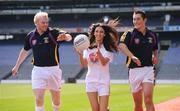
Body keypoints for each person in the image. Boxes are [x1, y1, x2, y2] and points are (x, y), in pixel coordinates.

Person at [11, 11, 72, 111]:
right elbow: (25, 51)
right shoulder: (30, 36)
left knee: (56, 101)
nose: (46, 24)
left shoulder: (53, 32)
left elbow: (69, 36)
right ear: (36, 23)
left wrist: (65, 37)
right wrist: (16, 66)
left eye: (47, 22)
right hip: (38, 71)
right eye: (43, 22)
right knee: (39, 98)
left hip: (54, 70)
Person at [119, 10, 158, 111]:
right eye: (134, 19)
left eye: (138, 19)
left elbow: (155, 48)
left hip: (148, 69)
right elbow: (121, 46)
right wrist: (132, 57)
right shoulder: (129, 33)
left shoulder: (152, 34)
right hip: (133, 71)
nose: (135, 21)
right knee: (138, 104)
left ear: (145, 20)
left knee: (148, 99)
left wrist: (155, 56)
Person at [76, 23, 119, 111]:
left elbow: (103, 63)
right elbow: (84, 64)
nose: (99, 33)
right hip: (91, 81)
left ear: (104, 34)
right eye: (97, 31)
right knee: (95, 109)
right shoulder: (87, 48)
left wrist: (99, 53)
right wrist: (80, 54)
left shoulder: (108, 49)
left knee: (103, 110)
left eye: (101, 32)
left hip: (103, 82)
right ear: (94, 33)